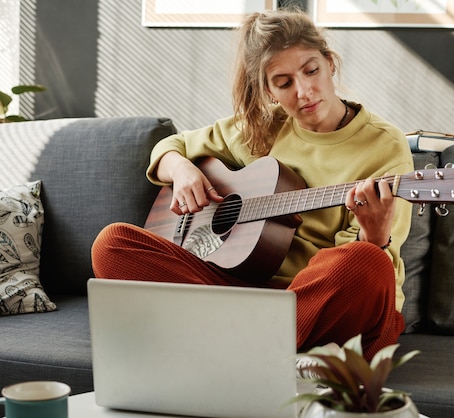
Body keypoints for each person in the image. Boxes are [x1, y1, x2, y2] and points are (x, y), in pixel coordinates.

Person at [91, 7, 414, 361]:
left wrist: (375, 236)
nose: (304, 91)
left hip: (321, 303)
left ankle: (227, 344)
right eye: (284, 82)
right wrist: (182, 170)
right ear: (268, 91)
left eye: (311, 70)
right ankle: (266, 348)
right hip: (249, 293)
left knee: (365, 261)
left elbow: (370, 270)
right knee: (112, 244)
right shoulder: (262, 128)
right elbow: (171, 147)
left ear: (330, 63)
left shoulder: (384, 145)